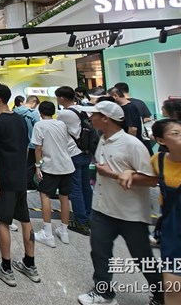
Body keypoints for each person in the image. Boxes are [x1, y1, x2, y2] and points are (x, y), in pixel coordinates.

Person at [76, 101, 164, 305]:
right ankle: (103, 292)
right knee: (99, 251)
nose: (90, 118)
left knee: (142, 256)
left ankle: (162, 295)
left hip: (130, 213)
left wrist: (114, 174)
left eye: (94, 115)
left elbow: (151, 179)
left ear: (106, 119)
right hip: (103, 208)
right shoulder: (102, 140)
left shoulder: (132, 144)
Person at [0, 83, 41, 287]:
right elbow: (25, 147)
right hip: (19, 176)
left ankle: (6, 267)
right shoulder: (20, 119)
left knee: (3, 222)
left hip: (3, 178)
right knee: (25, 219)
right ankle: (30, 263)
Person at [139, 119, 181, 305]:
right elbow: (147, 178)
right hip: (174, 237)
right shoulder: (159, 161)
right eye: (175, 134)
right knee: (172, 289)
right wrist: (126, 174)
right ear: (160, 140)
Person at [31, 101, 74, 248]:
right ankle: (64, 231)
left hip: (51, 166)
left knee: (45, 196)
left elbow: (38, 148)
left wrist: (37, 166)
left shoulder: (40, 125)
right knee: (64, 197)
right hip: (67, 165)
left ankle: (47, 234)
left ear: (40, 112)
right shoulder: (61, 124)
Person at [55, 86, 93, 236]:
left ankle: (81, 221)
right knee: (86, 186)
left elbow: (58, 130)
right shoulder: (82, 109)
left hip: (73, 152)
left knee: (75, 188)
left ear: (62, 98)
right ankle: (89, 217)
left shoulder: (64, 114)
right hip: (86, 151)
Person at [14, 95, 40, 191]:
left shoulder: (15, 111)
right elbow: (38, 126)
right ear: (34, 103)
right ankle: (29, 184)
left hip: (17, 143)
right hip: (31, 143)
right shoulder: (33, 113)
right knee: (30, 165)